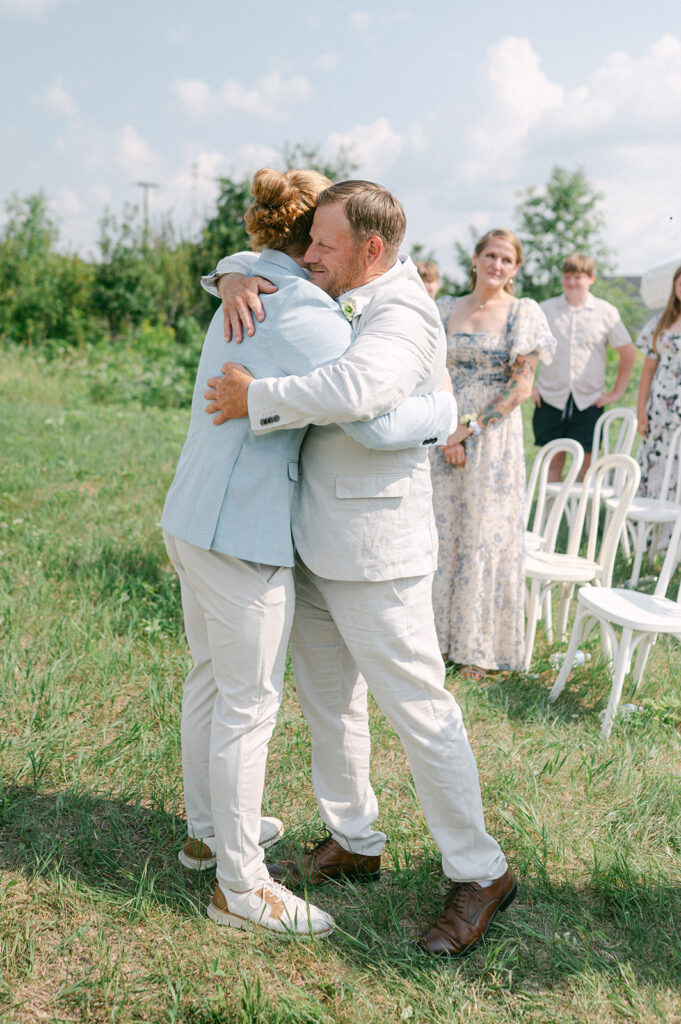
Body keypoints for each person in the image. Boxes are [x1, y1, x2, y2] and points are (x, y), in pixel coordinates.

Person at [204, 180, 517, 959]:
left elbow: (364, 404)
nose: (308, 257)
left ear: (370, 250)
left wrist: (259, 397)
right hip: (313, 540)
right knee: (329, 705)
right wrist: (232, 273)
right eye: (306, 242)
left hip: (376, 552)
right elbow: (268, 266)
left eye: (323, 246)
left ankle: (480, 870)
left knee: (418, 708)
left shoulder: (402, 311)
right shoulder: (339, 286)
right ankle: (354, 837)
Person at [162, 168, 457, 940]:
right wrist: (445, 409)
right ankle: (240, 885)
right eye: (318, 240)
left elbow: (240, 270)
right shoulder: (298, 304)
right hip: (241, 530)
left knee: (209, 680)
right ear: (309, 243)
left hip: (193, 515)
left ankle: (206, 835)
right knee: (248, 702)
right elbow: (372, 421)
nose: (324, 255)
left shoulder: (251, 286)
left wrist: (232, 268)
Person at [431, 229, 555, 675]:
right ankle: (435, 642)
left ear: (515, 268)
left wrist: (467, 431)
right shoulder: (445, 307)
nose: (496, 265)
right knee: (441, 534)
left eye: (506, 259)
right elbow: (428, 371)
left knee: (484, 536)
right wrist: (445, 432)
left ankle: (478, 652)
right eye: (490, 255)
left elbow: (521, 386)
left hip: (492, 440)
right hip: (441, 432)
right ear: (475, 258)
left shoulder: (523, 313)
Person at [532, 253, 636, 482]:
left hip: (589, 399)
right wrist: (530, 385)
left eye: (577, 277)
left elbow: (628, 352)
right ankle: (551, 513)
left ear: (591, 278)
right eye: (567, 276)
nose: (571, 282)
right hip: (551, 396)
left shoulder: (605, 311)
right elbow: (527, 350)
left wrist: (617, 392)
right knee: (553, 459)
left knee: (587, 462)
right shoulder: (546, 309)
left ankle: (581, 514)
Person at [635, 264, 681, 519]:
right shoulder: (659, 323)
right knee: (657, 464)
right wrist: (641, 409)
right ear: (675, 288)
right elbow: (648, 370)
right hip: (660, 409)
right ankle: (650, 537)